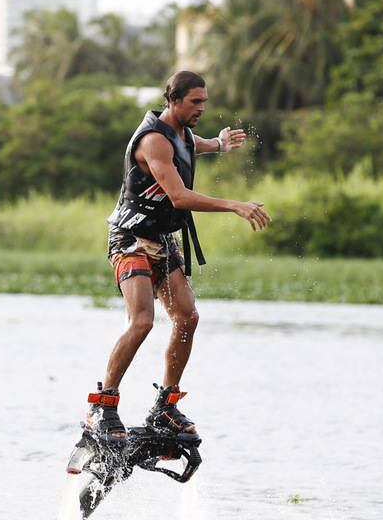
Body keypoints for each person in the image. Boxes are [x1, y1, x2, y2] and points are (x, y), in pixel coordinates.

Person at [85, 70, 271, 440]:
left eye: (205, 101)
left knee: (187, 317)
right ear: (174, 100)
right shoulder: (154, 140)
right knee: (142, 322)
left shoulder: (180, 133)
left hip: (162, 239)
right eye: (195, 102)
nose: (202, 108)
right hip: (130, 239)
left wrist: (218, 144)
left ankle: (165, 407)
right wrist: (235, 205)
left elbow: (193, 144)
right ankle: (102, 405)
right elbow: (179, 196)